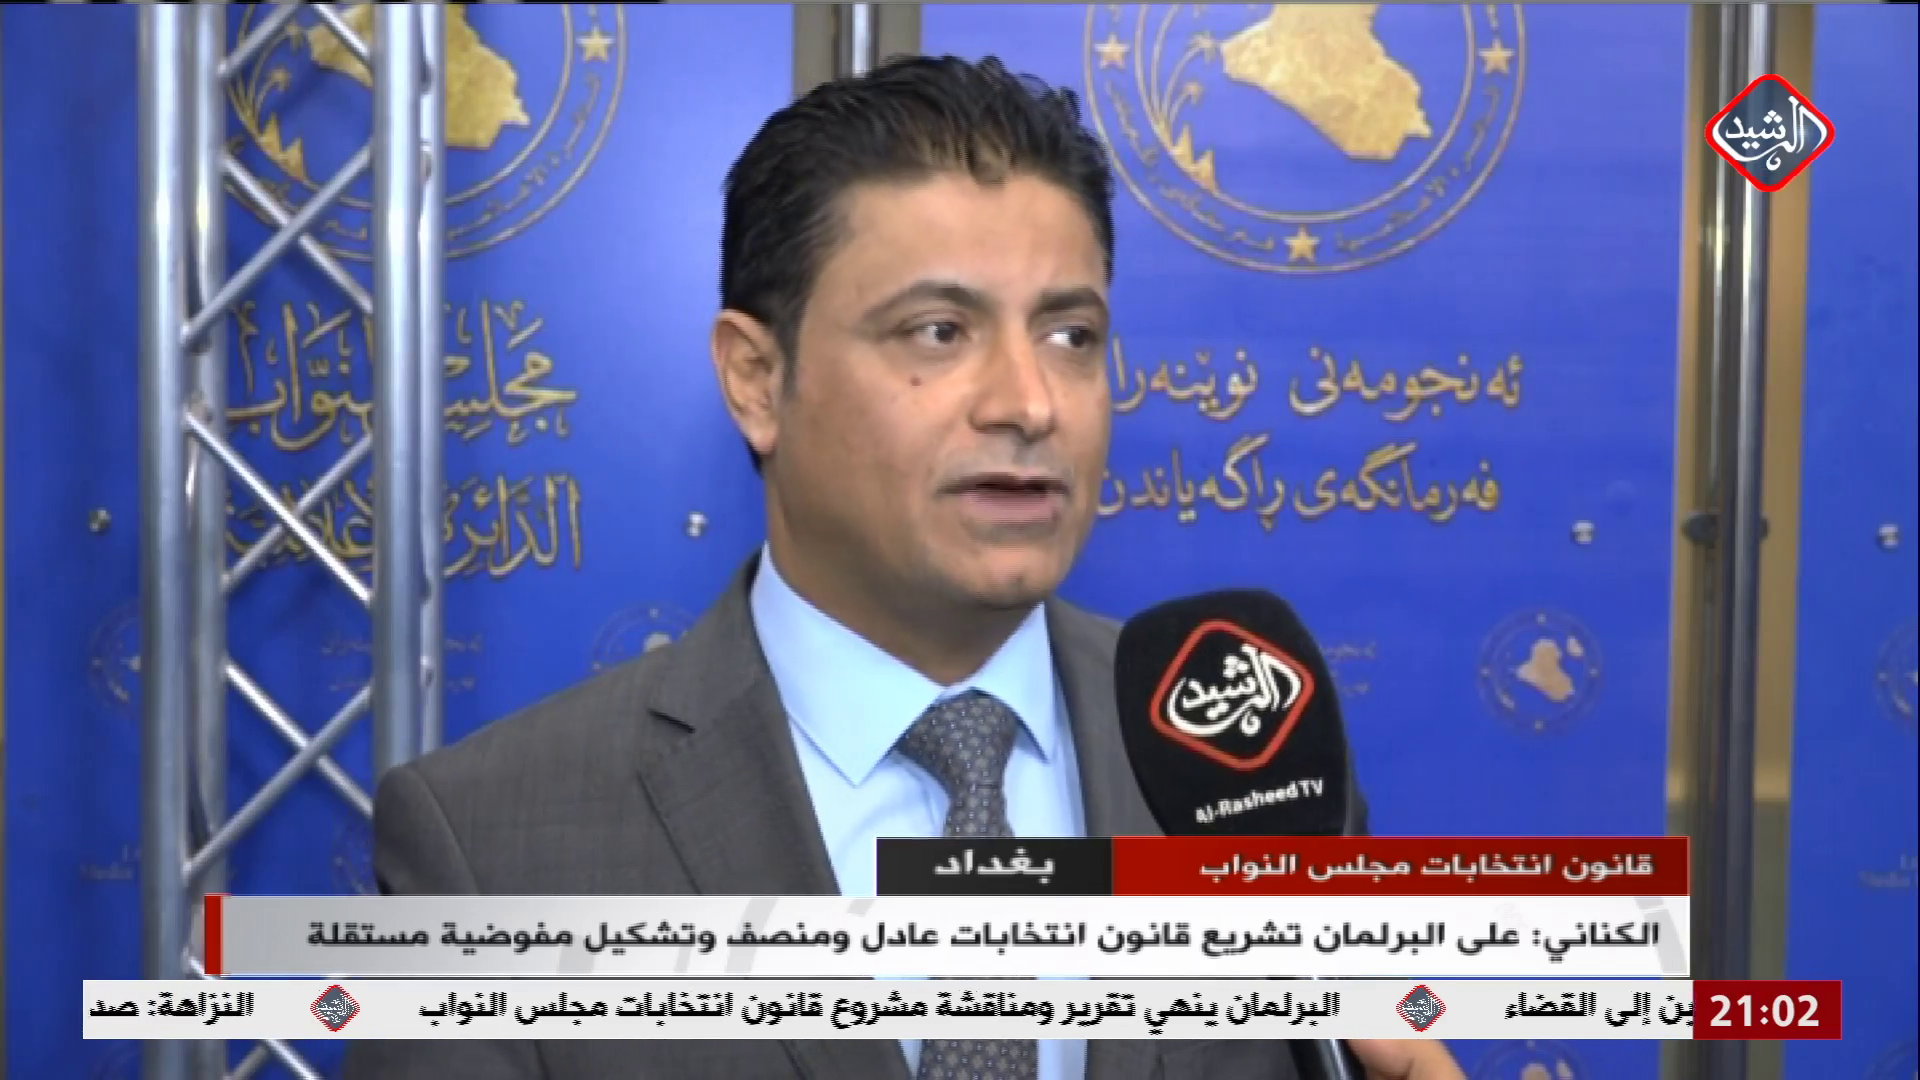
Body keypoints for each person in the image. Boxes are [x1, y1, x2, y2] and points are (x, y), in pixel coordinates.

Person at [345, 55, 1465, 1080]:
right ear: (756, 379)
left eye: (1071, 336)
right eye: (939, 331)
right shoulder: (493, 851)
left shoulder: (1237, 756)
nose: (1028, 402)